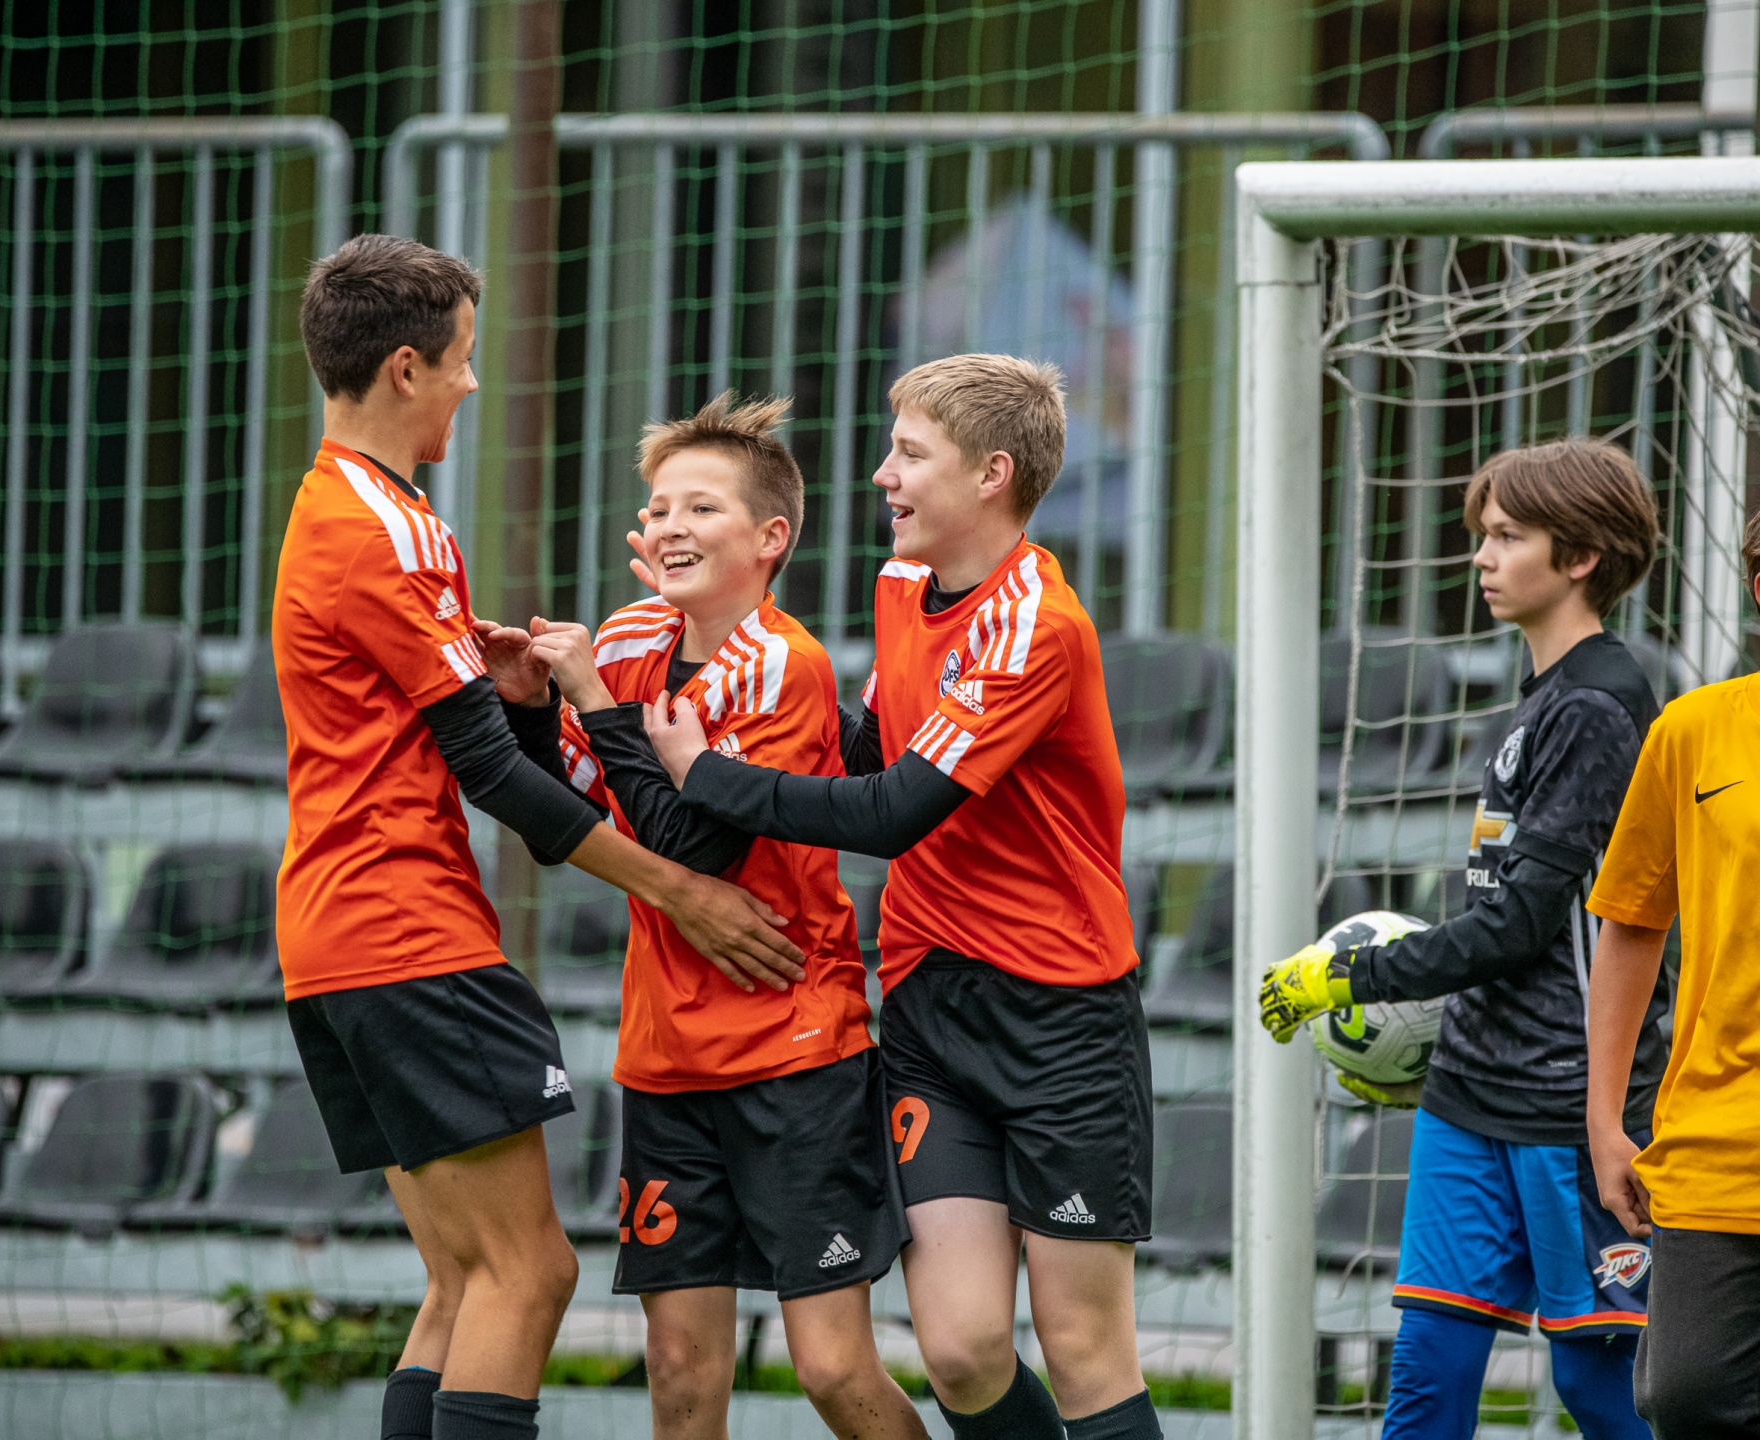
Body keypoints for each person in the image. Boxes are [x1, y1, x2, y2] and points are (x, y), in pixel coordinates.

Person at [275, 235, 806, 1440]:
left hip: (329, 939)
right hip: (405, 932)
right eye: (462, 359)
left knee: (462, 1284)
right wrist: (678, 889)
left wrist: (511, 692)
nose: (471, 383)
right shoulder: (388, 530)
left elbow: (454, 726)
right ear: (405, 368)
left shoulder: (332, 506)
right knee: (531, 1275)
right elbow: (490, 776)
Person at [642, 356, 1160, 1440]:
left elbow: (890, 811)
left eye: (909, 454)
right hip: (931, 1006)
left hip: (1061, 1018)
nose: (882, 475)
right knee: (961, 1353)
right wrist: (728, 660)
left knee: (1082, 1350)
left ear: (990, 475)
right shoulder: (899, 587)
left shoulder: (1035, 625)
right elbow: (867, 744)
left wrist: (706, 773)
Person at [493, 392, 927, 1440]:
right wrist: (530, 708)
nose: (670, 527)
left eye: (701, 507)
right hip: (666, 1058)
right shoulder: (629, 638)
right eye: (657, 510)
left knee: (832, 1370)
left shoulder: (785, 664)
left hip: (794, 1051)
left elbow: (694, 851)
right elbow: (575, 812)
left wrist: (596, 705)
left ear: (770, 538)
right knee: (679, 1370)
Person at [1259, 439, 1666, 1439]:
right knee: (1426, 1380)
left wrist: (1351, 975)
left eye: (1507, 537)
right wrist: (1414, 1044)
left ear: (1579, 557)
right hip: (1466, 1094)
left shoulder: (1597, 706)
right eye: (1481, 534)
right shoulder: (1541, 697)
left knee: (1596, 1385)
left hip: (1569, 1106)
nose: (1480, 556)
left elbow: (1519, 927)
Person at [1585, 509, 1760, 1439]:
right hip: (1718, 1142)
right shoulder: (1692, 731)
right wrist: (1604, 1119)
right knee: (1685, 1394)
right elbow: (1629, 921)